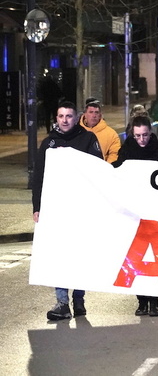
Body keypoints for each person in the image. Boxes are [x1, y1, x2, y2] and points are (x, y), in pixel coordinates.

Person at [33, 101, 103, 320]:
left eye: (69, 116)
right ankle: (62, 302)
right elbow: (39, 177)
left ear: (77, 117)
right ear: (56, 118)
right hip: (57, 209)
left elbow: (98, 170)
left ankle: (79, 299)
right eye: (61, 116)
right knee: (59, 255)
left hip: (81, 208)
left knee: (79, 255)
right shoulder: (48, 143)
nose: (64, 120)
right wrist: (37, 207)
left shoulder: (88, 139)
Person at [113, 115, 158, 317]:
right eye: (138, 136)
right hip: (134, 213)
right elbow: (116, 172)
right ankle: (141, 301)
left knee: (155, 258)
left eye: (145, 135)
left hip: (154, 212)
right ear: (132, 134)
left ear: (150, 133)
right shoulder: (127, 149)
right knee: (137, 259)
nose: (142, 140)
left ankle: (154, 302)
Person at [79, 98, 121, 163]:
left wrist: (106, 167)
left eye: (96, 112)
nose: (94, 115)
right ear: (85, 114)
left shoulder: (111, 134)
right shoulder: (76, 131)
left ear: (100, 115)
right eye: (91, 112)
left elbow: (114, 153)